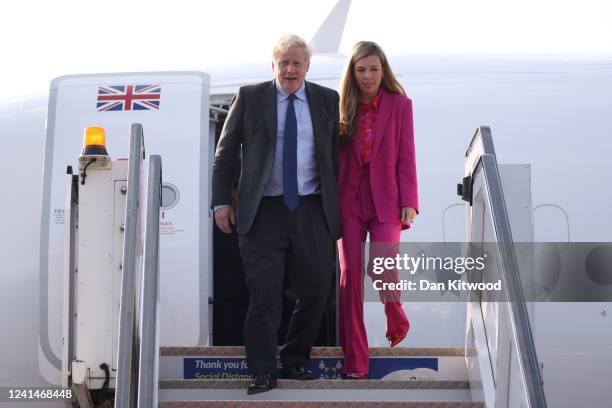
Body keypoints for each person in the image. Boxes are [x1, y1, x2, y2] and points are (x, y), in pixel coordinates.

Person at [211, 34, 341, 395]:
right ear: (273, 65)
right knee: (264, 294)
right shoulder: (250, 97)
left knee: (316, 291)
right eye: (283, 62)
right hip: (263, 211)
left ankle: (295, 360)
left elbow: (334, 159)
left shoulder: (328, 100)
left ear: (307, 67)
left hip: (311, 209)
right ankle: (263, 370)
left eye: (296, 62)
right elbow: (224, 154)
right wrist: (221, 202)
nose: (289, 69)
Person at [337, 41, 419, 379]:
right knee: (349, 276)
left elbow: (406, 154)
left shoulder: (400, 106)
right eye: (361, 70)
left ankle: (395, 313)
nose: (368, 76)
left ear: (382, 69)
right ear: (352, 74)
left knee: (383, 264)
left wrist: (410, 200)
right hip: (349, 200)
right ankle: (356, 360)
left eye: (373, 68)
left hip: (386, 198)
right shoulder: (341, 108)